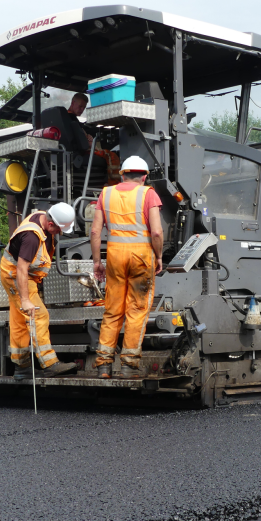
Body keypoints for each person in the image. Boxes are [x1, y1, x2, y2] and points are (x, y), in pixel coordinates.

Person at [90, 156, 164, 379]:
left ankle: (103, 365)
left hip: (114, 257)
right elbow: (157, 232)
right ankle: (128, 366)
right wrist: (159, 256)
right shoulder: (148, 193)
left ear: (122, 174)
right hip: (141, 257)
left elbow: (95, 231)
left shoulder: (106, 193)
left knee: (112, 310)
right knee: (137, 309)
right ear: (144, 177)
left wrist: (97, 262)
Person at [0, 203, 79, 380]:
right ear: (51, 224)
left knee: (20, 320)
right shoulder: (31, 237)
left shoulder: (44, 217)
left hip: (19, 274)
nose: (60, 233)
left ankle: (22, 367)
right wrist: (26, 299)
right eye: (59, 229)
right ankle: (50, 364)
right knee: (38, 314)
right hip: (16, 275)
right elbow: (21, 269)